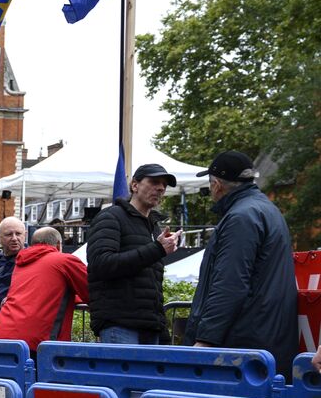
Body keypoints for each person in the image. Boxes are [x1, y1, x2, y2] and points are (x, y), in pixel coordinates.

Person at [184, 150, 297, 375]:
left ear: (217, 185)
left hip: (243, 345)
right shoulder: (267, 210)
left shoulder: (240, 217)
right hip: (267, 340)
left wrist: (206, 339)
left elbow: (230, 283)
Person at [87, 163, 180, 344]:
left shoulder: (153, 227)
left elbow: (150, 284)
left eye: (164, 185)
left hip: (149, 327)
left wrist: (161, 327)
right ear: (134, 186)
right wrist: (157, 249)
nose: (160, 188)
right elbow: (101, 264)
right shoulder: (110, 217)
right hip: (120, 325)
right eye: (154, 182)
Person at [0, 226, 90, 352]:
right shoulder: (64, 261)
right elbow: (92, 292)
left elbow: (39, 293)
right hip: (36, 344)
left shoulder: (21, 264)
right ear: (58, 245)